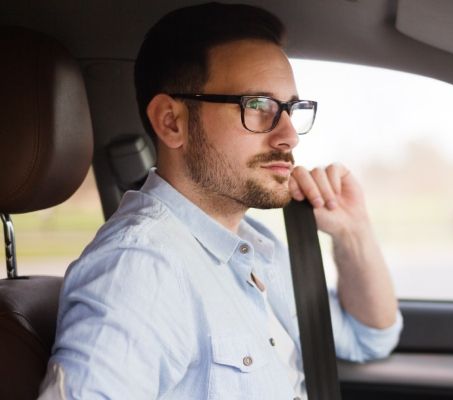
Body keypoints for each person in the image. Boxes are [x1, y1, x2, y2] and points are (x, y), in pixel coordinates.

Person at [39, 3, 401, 399]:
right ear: (171, 122)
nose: (289, 136)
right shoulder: (139, 269)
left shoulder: (254, 246)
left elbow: (369, 338)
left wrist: (354, 232)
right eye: (257, 106)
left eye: (290, 109)